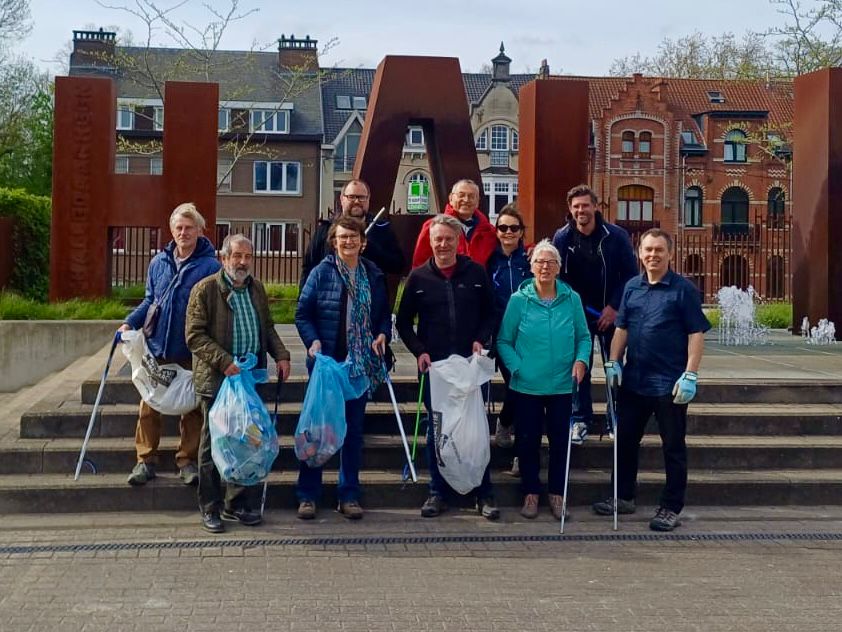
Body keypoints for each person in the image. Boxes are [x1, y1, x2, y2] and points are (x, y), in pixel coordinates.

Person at [592, 228, 710, 532]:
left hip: (670, 383)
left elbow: (696, 333)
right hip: (635, 380)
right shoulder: (632, 287)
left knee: (673, 446)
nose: (653, 255)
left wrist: (691, 373)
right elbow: (622, 327)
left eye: (659, 250)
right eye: (647, 250)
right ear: (639, 253)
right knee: (626, 441)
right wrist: (613, 361)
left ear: (670, 253)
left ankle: (671, 507)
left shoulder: (684, 290)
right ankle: (623, 496)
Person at [186, 234, 292, 534]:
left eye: (247, 256)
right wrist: (224, 361)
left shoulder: (256, 287)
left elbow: (267, 327)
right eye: (237, 256)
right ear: (224, 258)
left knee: (246, 441)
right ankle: (211, 508)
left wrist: (281, 355)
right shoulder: (205, 290)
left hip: (247, 380)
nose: (243, 262)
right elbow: (194, 336)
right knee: (212, 446)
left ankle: (237, 504)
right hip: (218, 381)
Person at [396, 214, 499, 520]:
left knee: (475, 433)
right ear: (430, 242)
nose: (443, 244)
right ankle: (437, 491)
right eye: (437, 239)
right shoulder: (418, 277)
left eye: (448, 239)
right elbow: (402, 323)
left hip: (469, 365)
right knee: (437, 430)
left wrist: (482, 339)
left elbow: (491, 313)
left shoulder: (476, 273)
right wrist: (419, 351)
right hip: (436, 367)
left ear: (459, 241)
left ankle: (484, 493)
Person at [294, 216, 391, 521]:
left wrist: (382, 334)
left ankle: (348, 494)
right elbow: (302, 313)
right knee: (317, 430)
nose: (348, 242)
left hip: (358, 365)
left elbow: (384, 315)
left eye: (354, 237)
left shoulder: (373, 274)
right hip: (327, 364)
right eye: (342, 237)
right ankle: (308, 495)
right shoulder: (321, 273)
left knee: (352, 432)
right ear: (333, 242)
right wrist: (312, 341)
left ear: (363, 242)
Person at [120, 203, 221, 487]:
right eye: (179, 227)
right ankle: (145, 460)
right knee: (149, 406)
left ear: (199, 230)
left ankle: (187, 461)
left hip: (192, 350)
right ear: (171, 230)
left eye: (189, 227)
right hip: (158, 346)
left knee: (192, 408)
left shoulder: (210, 266)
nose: (184, 232)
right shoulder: (158, 262)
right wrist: (129, 323)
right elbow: (150, 300)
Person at [496, 240, 591, 519]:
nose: (545, 267)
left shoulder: (571, 299)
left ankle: (557, 495)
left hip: (562, 384)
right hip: (527, 385)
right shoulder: (518, 300)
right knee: (527, 441)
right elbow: (503, 341)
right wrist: (517, 367)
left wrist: (581, 360)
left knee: (560, 442)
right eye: (540, 261)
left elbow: (584, 337)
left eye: (551, 262)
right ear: (531, 266)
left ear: (559, 268)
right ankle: (530, 494)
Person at [552, 184, 637, 445]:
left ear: (595, 206)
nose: (581, 211)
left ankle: (616, 418)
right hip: (579, 315)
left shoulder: (616, 236)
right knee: (579, 368)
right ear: (570, 209)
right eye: (576, 206)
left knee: (615, 368)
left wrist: (613, 307)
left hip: (611, 314)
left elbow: (631, 276)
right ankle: (580, 419)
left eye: (585, 205)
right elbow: (559, 278)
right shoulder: (562, 237)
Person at [485, 204, 532, 452]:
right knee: (517, 381)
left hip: (529, 335)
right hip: (502, 336)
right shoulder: (490, 262)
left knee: (525, 387)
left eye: (514, 228)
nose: (508, 232)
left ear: (522, 232)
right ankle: (505, 424)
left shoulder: (530, 260)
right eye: (503, 227)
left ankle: (515, 440)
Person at [300, 179, 405, 289]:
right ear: (342, 199)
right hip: (331, 298)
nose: (357, 201)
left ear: (368, 199)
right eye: (351, 197)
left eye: (361, 197)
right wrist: (302, 302)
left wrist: (371, 249)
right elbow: (309, 266)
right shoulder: (326, 229)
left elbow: (398, 266)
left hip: (369, 300)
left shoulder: (381, 230)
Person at [411, 179, 497, 269]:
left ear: (478, 201)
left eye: (471, 196)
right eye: (461, 195)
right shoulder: (433, 227)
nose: (466, 200)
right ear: (451, 198)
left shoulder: (489, 232)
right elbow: (420, 264)